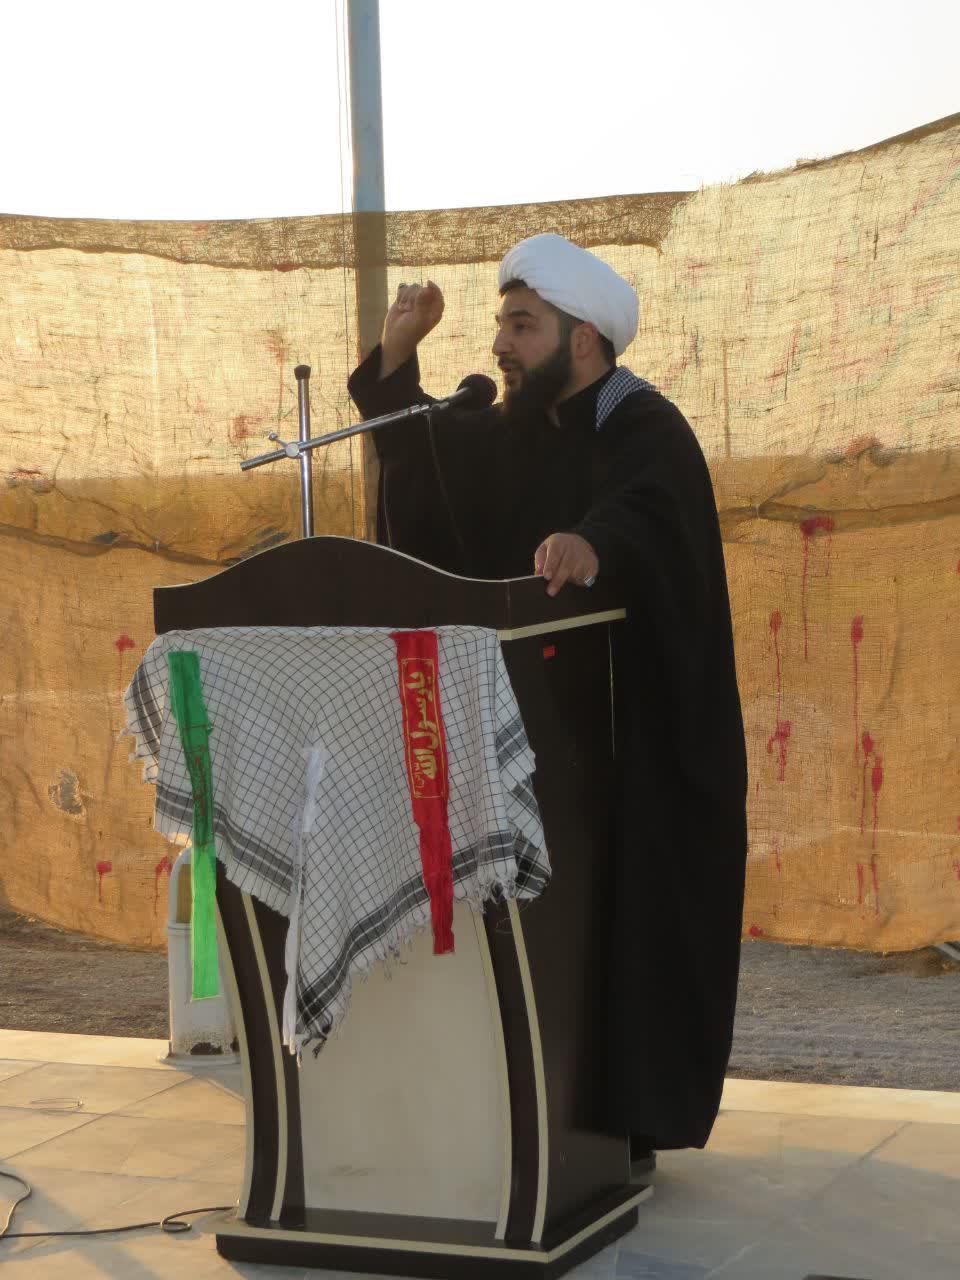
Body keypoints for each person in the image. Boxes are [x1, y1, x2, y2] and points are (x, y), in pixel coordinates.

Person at [348, 233, 748, 1169]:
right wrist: (396, 361)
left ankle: (625, 1129)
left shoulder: (645, 425)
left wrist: (595, 543)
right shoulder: (520, 429)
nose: (501, 344)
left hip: (642, 748)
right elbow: (433, 472)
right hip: (547, 745)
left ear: (583, 340)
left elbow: (649, 513)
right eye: (502, 324)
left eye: (522, 326)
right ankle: (545, 1124)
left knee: (632, 932)